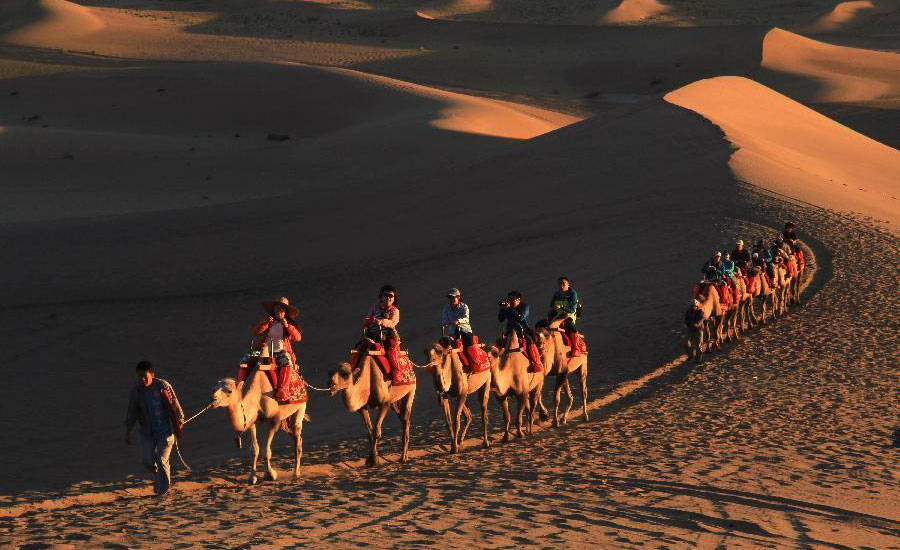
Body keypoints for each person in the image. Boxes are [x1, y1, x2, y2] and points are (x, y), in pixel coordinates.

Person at [124, 361, 185, 497]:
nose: (143, 379)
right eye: (139, 377)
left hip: (166, 432)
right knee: (147, 461)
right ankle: (160, 477)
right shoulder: (136, 390)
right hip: (147, 433)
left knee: (161, 460)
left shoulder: (162, 386)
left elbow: (174, 404)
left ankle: (163, 492)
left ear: (152, 374)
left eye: (145, 376)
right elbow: (132, 411)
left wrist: (179, 422)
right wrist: (128, 431)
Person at [249, 297, 302, 400]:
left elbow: (297, 338)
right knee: (247, 362)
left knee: (286, 363)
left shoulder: (288, 324)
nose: (279, 311)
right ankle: (243, 385)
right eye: (277, 308)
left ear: (285, 312)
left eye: (282, 310)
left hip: (280, 351)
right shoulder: (268, 321)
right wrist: (265, 324)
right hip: (264, 351)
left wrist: (287, 326)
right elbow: (255, 332)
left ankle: (283, 389)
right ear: (273, 310)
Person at [498, 290, 542, 372]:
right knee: (498, 344)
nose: (509, 301)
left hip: (523, 330)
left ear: (519, 300)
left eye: (512, 299)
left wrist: (509, 308)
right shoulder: (508, 308)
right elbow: (500, 319)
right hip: (509, 331)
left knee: (529, 341)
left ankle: (536, 363)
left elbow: (520, 318)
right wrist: (503, 309)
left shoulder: (525, 306)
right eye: (508, 299)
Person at [363, 284, 401, 373]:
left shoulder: (395, 311)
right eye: (385, 295)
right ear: (381, 297)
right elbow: (365, 320)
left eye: (391, 296)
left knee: (391, 350)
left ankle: (397, 371)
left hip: (388, 336)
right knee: (360, 349)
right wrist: (370, 320)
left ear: (394, 298)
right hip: (373, 337)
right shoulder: (374, 307)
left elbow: (392, 323)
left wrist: (381, 322)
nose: (388, 298)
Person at [548, 276, 585, 357]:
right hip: (557, 316)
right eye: (559, 284)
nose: (561, 285)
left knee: (571, 328)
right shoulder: (556, 294)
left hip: (568, 316)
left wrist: (561, 307)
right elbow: (551, 305)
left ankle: (576, 348)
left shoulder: (573, 294)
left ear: (568, 284)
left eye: (563, 283)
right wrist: (553, 308)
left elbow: (572, 309)